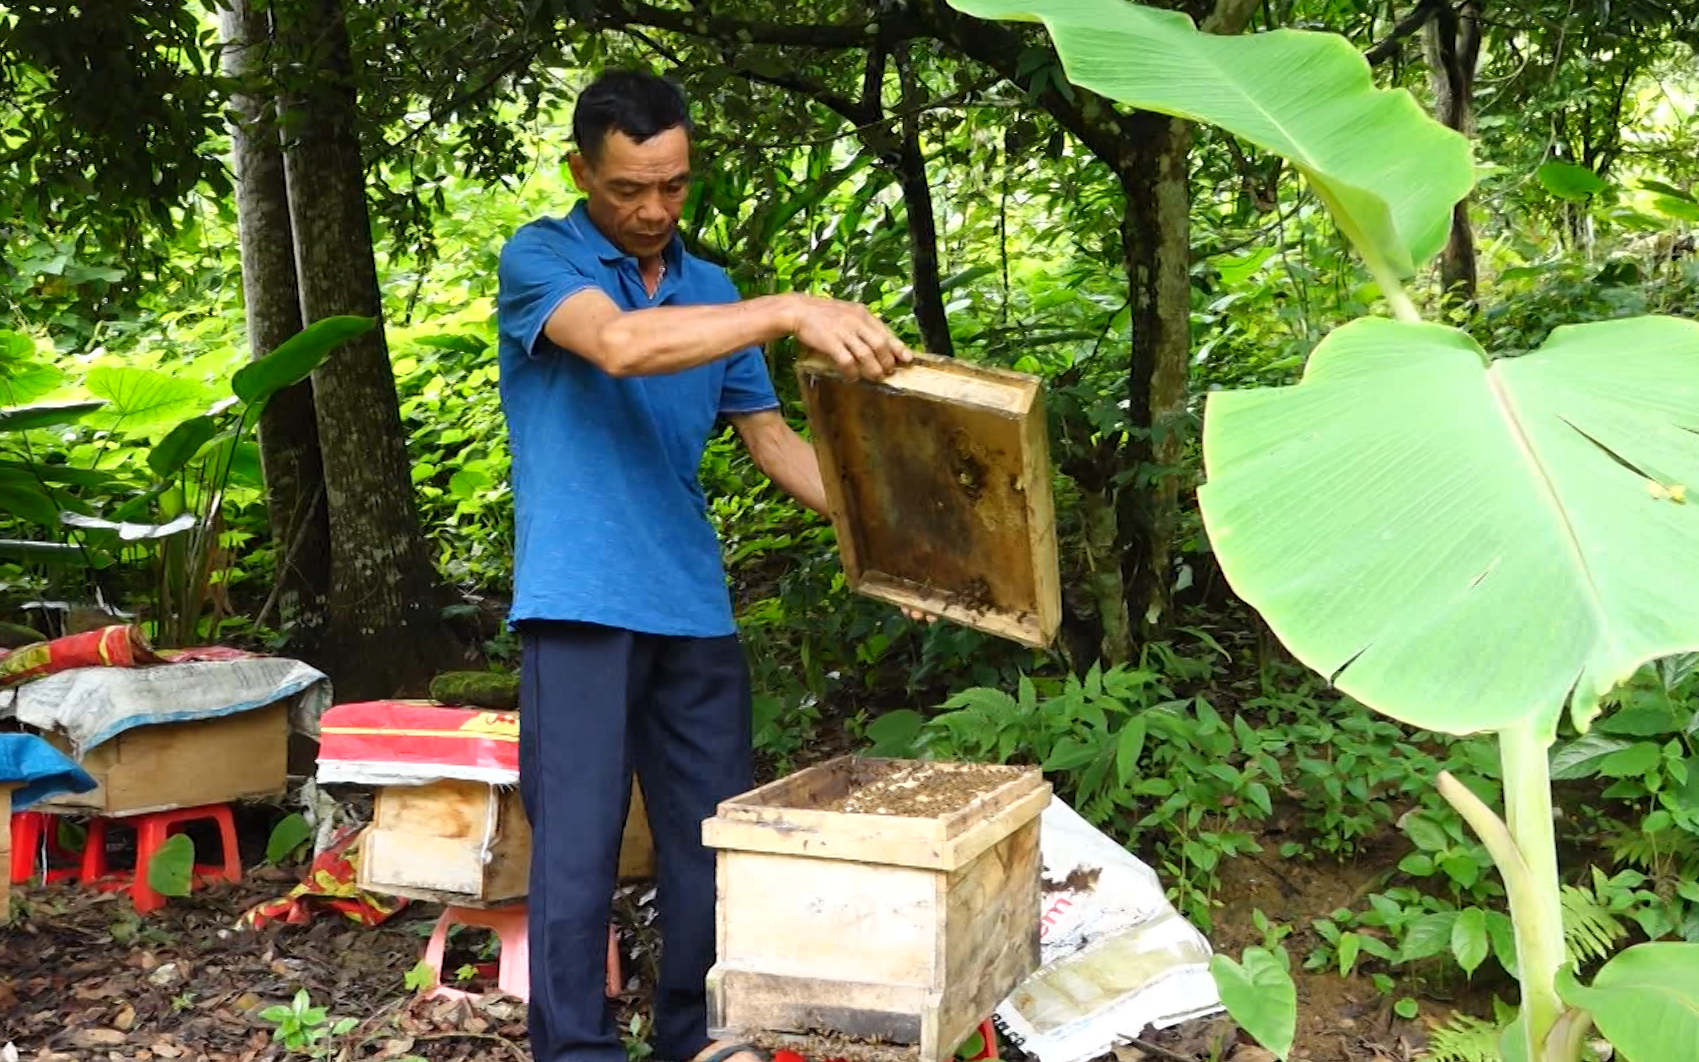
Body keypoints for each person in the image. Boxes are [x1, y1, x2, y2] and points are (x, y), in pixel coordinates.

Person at [495, 69, 920, 1062]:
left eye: (672, 187)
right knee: (577, 853)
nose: (651, 211)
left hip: (693, 608)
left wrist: (900, 553)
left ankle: (695, 1042)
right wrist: (787, 311)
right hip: (578, 604)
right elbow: (618, 347)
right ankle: (577, 1052)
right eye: (626, 189)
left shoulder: (714, 292)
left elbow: (772, 444)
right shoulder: (542, 256)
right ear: (580, 173)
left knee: (711, 854)